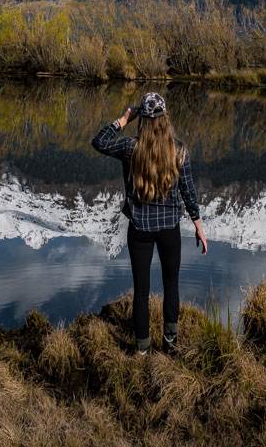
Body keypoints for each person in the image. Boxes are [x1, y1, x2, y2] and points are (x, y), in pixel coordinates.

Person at [92, 91, 207, 354]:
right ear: (165, 118)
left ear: (141, 119)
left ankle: (142, 349)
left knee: (141, 290)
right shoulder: (179, 150)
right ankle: (170, 343)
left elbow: (99, 141)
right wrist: (199, 227)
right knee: (171, 285)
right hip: (169, 228)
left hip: (140, 229)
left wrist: (123, 120)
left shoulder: (130, 148)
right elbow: (188, 191)